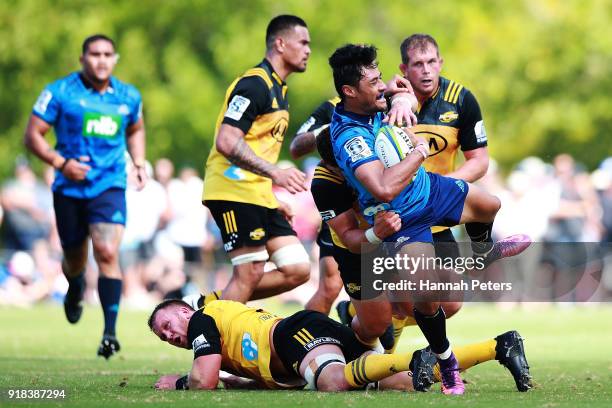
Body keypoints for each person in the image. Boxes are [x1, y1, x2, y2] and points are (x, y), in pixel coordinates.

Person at [328, 44, 530, 395]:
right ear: (349, 91)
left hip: (431, 190)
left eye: (379, 78)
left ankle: (481, 253)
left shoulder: (376, 98)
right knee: (427, 296)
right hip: (402, 217)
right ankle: (447, 360)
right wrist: (419, 149)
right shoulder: (350, 137)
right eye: (373, 82)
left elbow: (399, 88)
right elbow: (384, 187)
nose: (381, 86)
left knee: (490, 205)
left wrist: (402, 97)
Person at [23, 34, 147, 359]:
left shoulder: (128, 96)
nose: (101, 60)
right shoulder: (59, 92)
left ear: (115, 59)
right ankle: (75, 285)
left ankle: (110, 332)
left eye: (108, 54)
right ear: (82, 58)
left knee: (107, 251)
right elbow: (32, 135)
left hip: (109, 185)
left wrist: (137, 162)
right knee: (75, 259)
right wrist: (60, 163)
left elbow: (135, 129)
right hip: (69, 189)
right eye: (95, 54)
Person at [148, 299, 531, 393]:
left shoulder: (202, 318)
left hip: (293, 333)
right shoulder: (221, 331)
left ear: (184, 311)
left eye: (168, 325)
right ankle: (499, 346)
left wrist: (180, 383)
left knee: (332, 382)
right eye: (164, 338)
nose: (170, 336)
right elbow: (250, 377)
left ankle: (412, 353)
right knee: (404, 382)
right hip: (304, 337)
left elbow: (204, 381)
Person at [202, 15, 312, 304]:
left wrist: (271, 196)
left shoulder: (280, 90)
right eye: (302, 42)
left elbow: (257, 147)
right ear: (280, 43)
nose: (308, 50)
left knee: (297, 269)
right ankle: (214, 339)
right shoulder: (255, 84)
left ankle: (207, 308)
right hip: (232, 190)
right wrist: (276, 174)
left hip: (257, 194)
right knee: (249, 271)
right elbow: (226, 141)